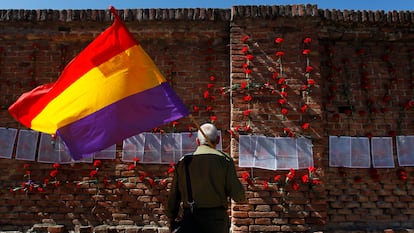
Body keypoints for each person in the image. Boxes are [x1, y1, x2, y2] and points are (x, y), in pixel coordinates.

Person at [165, 123, 246, 233]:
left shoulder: (184, 162)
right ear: (217, 140)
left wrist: (171, 218)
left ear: (197, 141)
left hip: (191, 220)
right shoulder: (225, 161)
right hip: (217, 222)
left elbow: (174, 197)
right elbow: (238, 196)